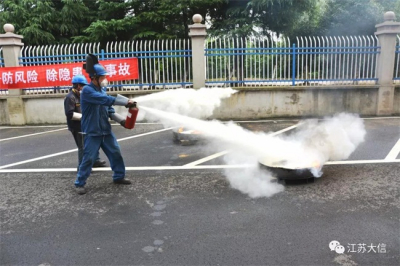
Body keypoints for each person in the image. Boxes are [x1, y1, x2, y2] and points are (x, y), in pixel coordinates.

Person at [74, 62, 135, 195]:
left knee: (115, 153)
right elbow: (104, 100)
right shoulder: (87, 91)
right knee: (89, 158)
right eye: (102, 77)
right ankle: (79, 183)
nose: (104, 80)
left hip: (105, 130)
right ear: (94, 78)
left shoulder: (102, 90)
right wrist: (125, 102)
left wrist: (122, 121)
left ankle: (119, 177)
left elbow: (109, 109)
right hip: (92, 131)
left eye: (104, 77)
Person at [64, 74, 107, 171]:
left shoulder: (82, 95)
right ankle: (81, 167)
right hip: (76, 126)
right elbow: (69, 114)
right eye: (83, 85)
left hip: (85, 123)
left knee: (94, 141)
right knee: (82, 146)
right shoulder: (70, 97)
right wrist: (84, 117)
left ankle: (95, 160)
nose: (85, 87)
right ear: (78, 85)